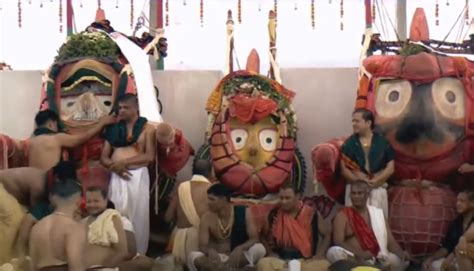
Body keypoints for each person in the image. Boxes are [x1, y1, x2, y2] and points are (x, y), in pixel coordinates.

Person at [100, 93, 156, 254]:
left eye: (126, 107)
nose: (122, 110)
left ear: (136, 108)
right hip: (117, 176)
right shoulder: (113, 130)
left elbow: (149, 156)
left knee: (137, 216)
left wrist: (123, 163)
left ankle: (138, 254)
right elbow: (104, 157)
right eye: (120, 107)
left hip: (137, 176)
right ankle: (118, 253)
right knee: (116, 214)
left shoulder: (148, 128)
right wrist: (116, 167)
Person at [0, 162, 76, 265]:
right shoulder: (39, 186)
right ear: (56, 178)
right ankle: (16, 257)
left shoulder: (48, 180)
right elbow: (33, 215)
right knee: (17, 221)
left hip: (11, 194)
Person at [327, 180, 410, 271]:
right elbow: (338, 241)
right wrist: (361, 253)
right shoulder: (342, 215)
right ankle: (374, 268)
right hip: (354, 257)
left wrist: (401, 254)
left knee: (398, 261)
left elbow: (390, 242)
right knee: (334, 252)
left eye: (360, 193)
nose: (356, 196)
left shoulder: (377, 214)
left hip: (378, 257)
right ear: (350, 195)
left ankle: (375, 267)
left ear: (367, 194)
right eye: (353, 193)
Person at [187, 183, 266, 271]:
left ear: (223, 200)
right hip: (217, 258)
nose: (208, 203)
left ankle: (222, 268)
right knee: (192, 256)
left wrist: (239, 248)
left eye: (212, 199)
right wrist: (210, 251)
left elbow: (254, 239)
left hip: (238, 256)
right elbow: (202, 246)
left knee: (260, 248)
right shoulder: (206, 217)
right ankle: (230, 269)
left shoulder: (243, 212)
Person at [257, 181, 331, 271]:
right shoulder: (274, 214)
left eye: (287, 198)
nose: (284, 201)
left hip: (304, 262)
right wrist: (270, 252)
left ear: (297, 196)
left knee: (324, 265)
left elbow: (327, 234)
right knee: (263, 263)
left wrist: (320, 255)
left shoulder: (311, 213)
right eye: (281, 198)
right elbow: (262, 235)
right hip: (280, 262)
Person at [83, 186, 155, 271]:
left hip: (113, 264)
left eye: (96, 201)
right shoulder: (83, 222)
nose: (92, 205)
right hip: (91, 266)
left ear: (105, 201)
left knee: (145, 262)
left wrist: (107, 266)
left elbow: (129, 251)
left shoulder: (115, 218)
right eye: (89, 201)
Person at [340, 108, 394, 217]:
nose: (354, 124)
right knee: (355, 226)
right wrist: (359, 181)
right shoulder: (349, 143)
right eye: (353, 121)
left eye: (357, 121)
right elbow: (343, 169)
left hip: (377, 189)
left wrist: (376, 180)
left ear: (368, 123)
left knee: (378, 226)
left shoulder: (382, 142)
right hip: (356, 191)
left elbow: (390, 167)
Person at [29, 177, 86, 271]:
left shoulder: (37, 227)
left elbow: (32, 265)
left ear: (51, 199)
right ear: (79, 201)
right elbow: (75, 266)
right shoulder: (73, 228)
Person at [28, 109, 115, 170]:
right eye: (56, 125)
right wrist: (102, 123)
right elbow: (83, 137)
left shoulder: (31, 141)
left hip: (32, 180)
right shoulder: (56, 138)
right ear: (51, 124)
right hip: (49, 182)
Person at [164, 159, 212, 265]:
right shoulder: (212, 191)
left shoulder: (181, 187)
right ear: (210, 172)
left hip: (178, 242)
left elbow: (167, 217)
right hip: (201, 243)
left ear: (192, 171)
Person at [422, 190, 474, 271]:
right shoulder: (456, 223)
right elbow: (446, 248)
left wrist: (453, 257)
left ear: (472, 203)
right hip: (454, 259)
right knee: (432, 266)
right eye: (457, 200)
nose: (458, 204)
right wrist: (431, 259)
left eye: (462, 201)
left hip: (469, 259)